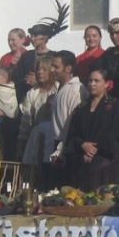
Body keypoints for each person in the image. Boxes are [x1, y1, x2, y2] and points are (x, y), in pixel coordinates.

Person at [64, 69, 119, 191]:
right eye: (90, 80)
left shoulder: (115, 106)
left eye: (96, 81)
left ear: (106, 84)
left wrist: (94, 149)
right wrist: (83, 145)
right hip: (82, 161)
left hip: (105, 161)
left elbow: (115, 132)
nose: (92, 84)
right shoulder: (81, 108)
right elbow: (72, 133)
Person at [47, 51, 83, 186]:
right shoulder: (60, 89)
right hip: (57, 145)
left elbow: (73, 123)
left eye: (56, 67)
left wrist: (61, 150)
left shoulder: (76, 90)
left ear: (68, 69)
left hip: (67, 148)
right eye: (52, 66)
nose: (52, 70)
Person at [17, 56, 57, 161]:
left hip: (53, 136)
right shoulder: (32, 93)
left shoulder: (58, 89)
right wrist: (21, 143)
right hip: (36, 137)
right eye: (38, 69)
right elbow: (26, 120)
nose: (40, 72)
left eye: (44, 69)